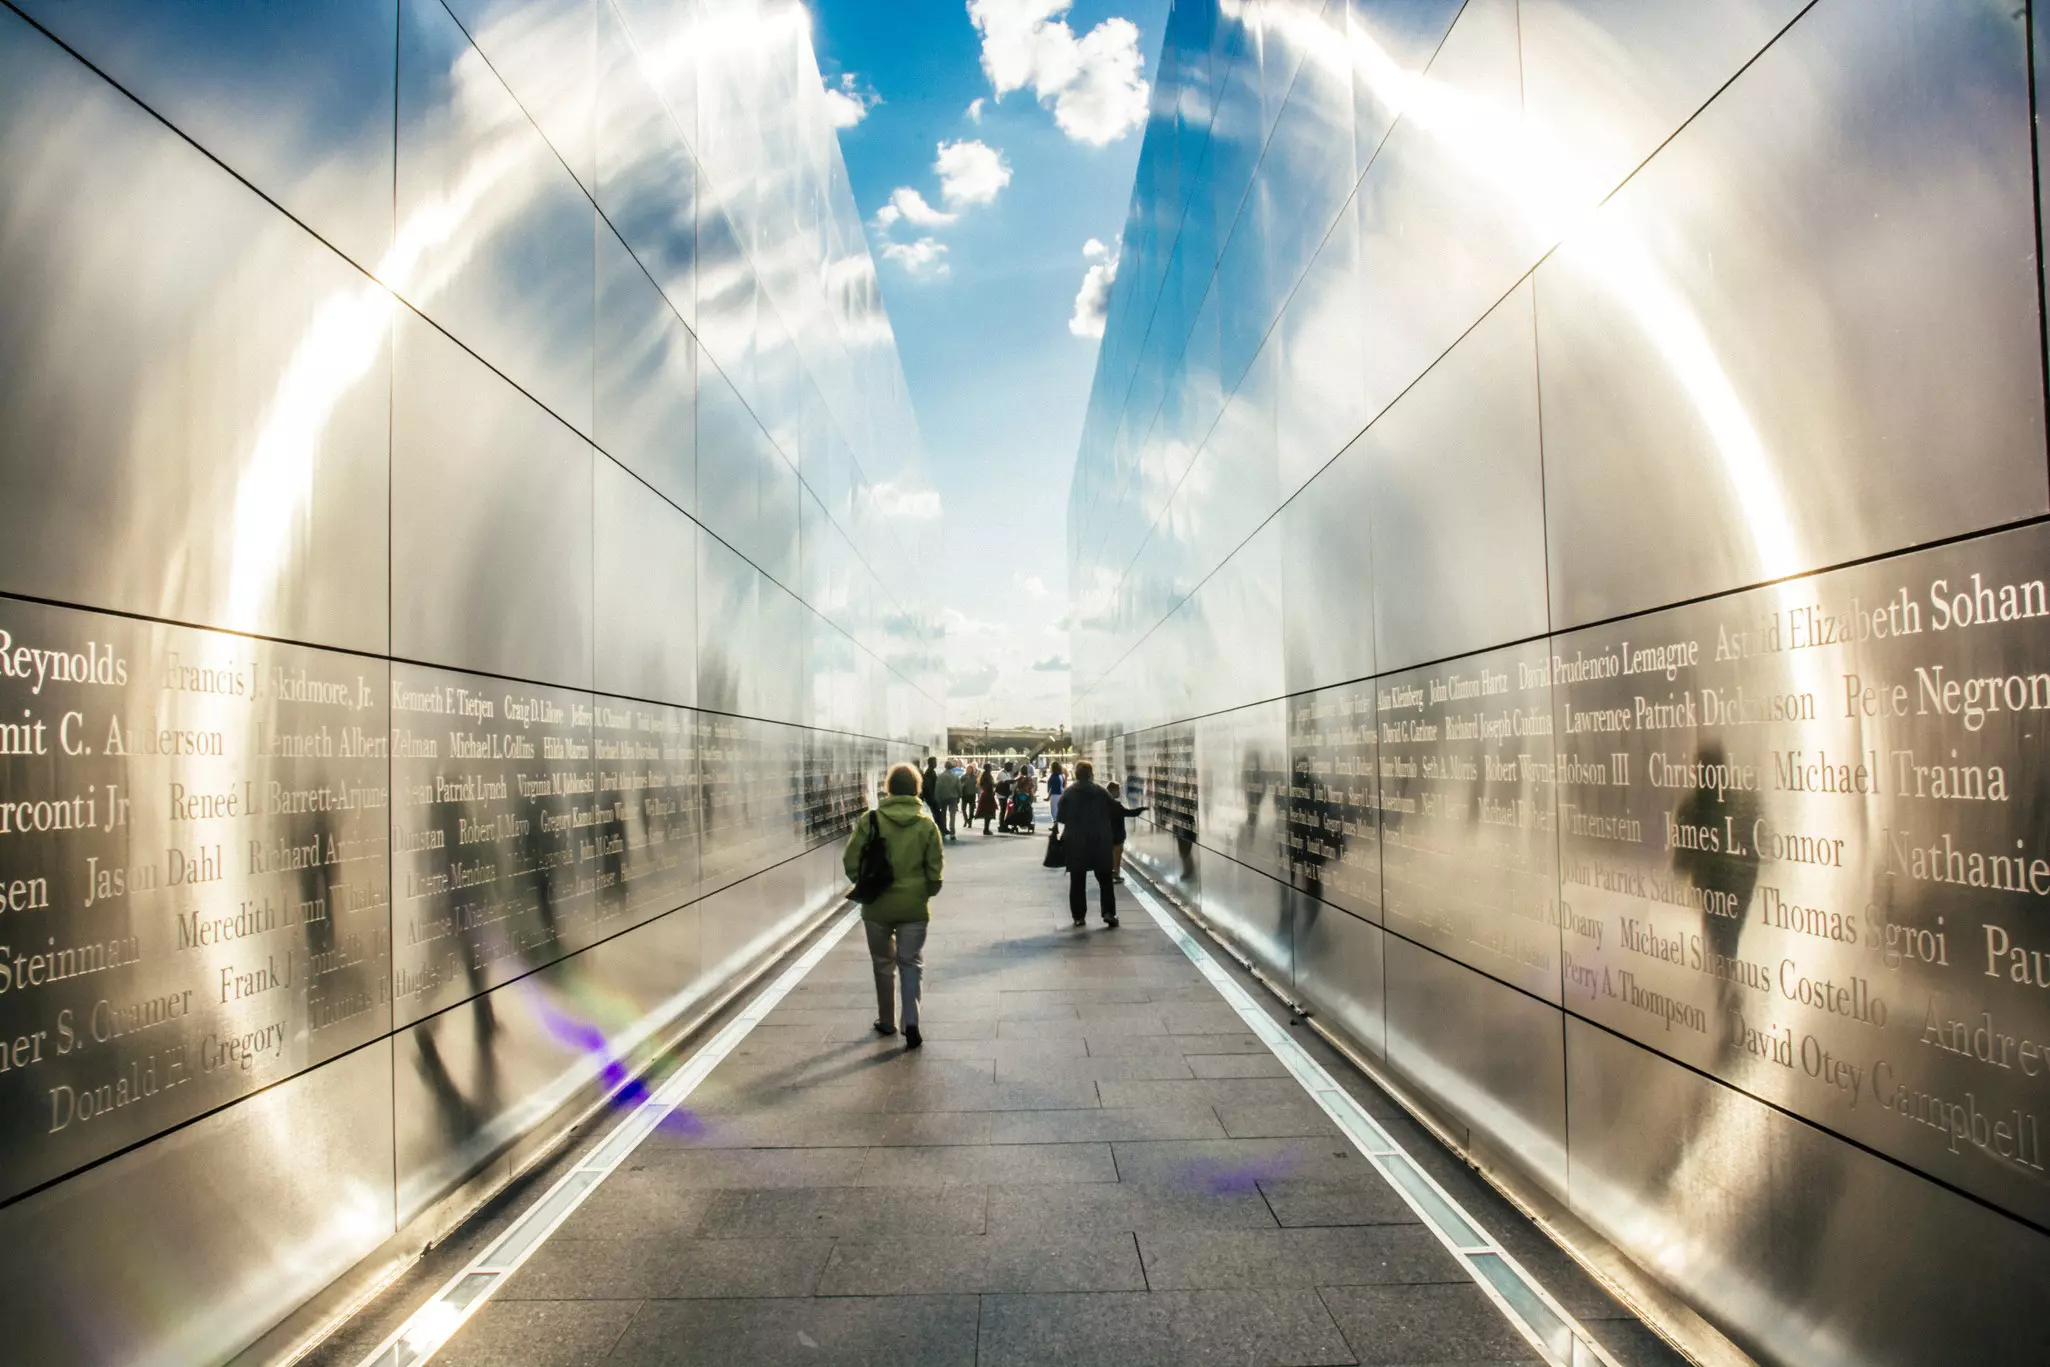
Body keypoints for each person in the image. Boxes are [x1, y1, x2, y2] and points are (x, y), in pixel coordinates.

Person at [843, 763, 944, 1049]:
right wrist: (926, 891)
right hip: (913, 906)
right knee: (911, 963)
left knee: (883, 964)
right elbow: (935, 870)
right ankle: (911, 1021)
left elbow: (851, 860)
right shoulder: (926, 824)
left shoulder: (871, 819)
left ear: (888, 787)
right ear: (917, 788)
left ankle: (886, 1020)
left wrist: (864, 884)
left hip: (876, 906)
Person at [1053, 759, 1118, 927]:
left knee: (1077, 879)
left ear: (1076, 774)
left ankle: (1079, 916)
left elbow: (1060, 817)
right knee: (1105, 878)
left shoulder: (1068, 793)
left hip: (1076, 841)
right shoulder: (1100, 791)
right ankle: (1108, 912)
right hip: (1099, 840)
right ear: (1090, 774)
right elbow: (1114, 810)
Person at [932, 759, 961, 842]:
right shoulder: (955, 776)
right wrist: (959, 796)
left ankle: (943, 831)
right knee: (952, 816)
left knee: (943, 815)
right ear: (952, 767)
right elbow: (959, 787)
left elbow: (937, 788)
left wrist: (937, 797)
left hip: (943, 798)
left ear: (945, 767)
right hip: (953, 798)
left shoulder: (940, 776)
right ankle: (952, 833)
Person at [976, 765, 997, 834]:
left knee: (987, 813)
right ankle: (986, 829)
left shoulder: (984, 775)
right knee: (988, 812)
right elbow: (991, 784)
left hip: (986, 794)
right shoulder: (987, 776)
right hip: (988, 795)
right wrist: (999, 783)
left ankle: (986, 828)